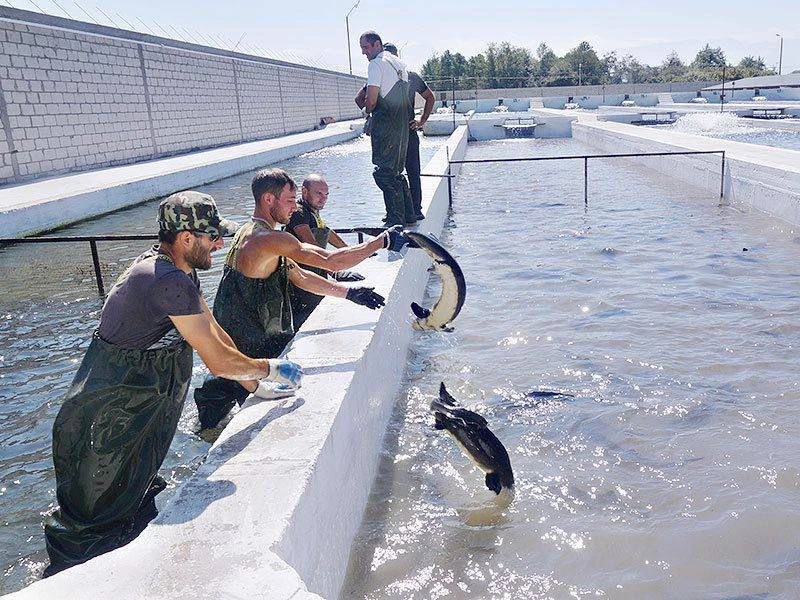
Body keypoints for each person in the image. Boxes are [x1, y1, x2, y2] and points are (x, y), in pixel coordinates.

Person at [43, 191, 303, 576]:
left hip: (135, 421)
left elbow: (216, 335)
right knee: (90, 532)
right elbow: (217, 361)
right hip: (104, 427)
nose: (220, 243)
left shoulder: (180, 272)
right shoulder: (165, 280)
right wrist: (270, 368)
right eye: (212, 236)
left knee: (134, 510)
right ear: (185, 238)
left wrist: (254, 385)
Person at [194, 168, 410, 429]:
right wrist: (381, 242)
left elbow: (299, 276)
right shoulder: (267, 239)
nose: (294, 207)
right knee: (243, 421)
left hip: (240, 343)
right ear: (268, 200)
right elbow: (330, 260)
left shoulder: (249, 232)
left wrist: (349, 293)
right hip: (248, 350)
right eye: (289, 200)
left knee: (213, 416)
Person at [285, 174, 365, 330]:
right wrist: (336, 272)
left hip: (316, 274)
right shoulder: (299, 213)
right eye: (319, 194)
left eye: (326, 195)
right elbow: (311, 246)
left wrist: (351, 251)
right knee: (306, 321)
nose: (323, 199)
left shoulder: (312, 211)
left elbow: (327, 232)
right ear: (305, 192)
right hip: (302, 281)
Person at [354, 31, 416, 228]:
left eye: (366, 47)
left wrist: (366, 112)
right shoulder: (399, 64)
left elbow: (372, 99)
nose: (363, 52)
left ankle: (395, 221)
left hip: (386, 126)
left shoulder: (376, 64)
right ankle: (409, 215)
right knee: (396, 172)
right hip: (401, 126)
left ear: (377, 44)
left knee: (384, 174)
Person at [382, 43, 435, 222]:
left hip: (403, 133)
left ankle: (410, 210)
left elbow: (430, 96)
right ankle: (401, 211)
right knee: (392, 174)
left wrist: (422, 120)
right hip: (394, 135)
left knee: (407, 172)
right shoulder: (384, 76)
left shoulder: (409, 76)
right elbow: (360, 97)